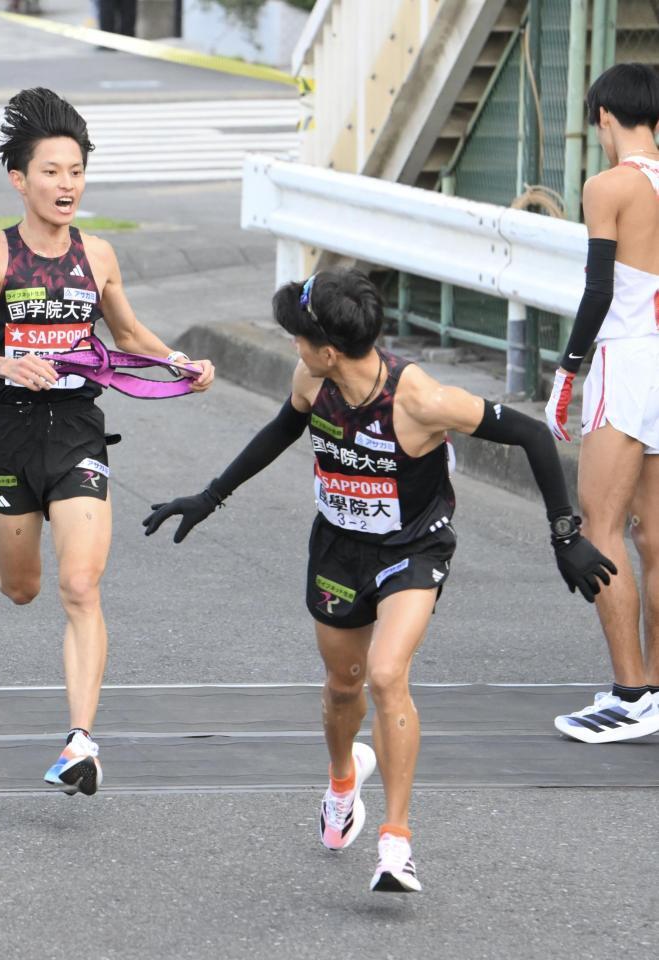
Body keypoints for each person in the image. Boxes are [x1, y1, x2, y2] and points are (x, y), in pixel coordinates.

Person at [144, 268, 614, 892]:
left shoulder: (419, 399)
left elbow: (529, 433)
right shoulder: (313, 377)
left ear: (330, 348)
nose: (293, 345)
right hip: (339, 550)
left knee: (389, 675)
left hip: (412, 548)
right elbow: (286, 426)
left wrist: (564, 534)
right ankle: (343, 781)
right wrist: (210, 497)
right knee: (345, 686)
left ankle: (396, 844)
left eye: (299, 336)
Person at [0, 87, 214, 796]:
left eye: (75, 171)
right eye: (52, 172)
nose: (66, 185)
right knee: (25, 589)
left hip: (78, 433)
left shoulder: (96, 255)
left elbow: (127, 336)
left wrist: (177, 362)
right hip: (8, 432)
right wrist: (7, 363)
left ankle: (80, 743)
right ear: (19, 179)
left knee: (80, 583)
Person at [545, 63, 659, 744]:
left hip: (624, 357)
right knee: (656, 540)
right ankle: (654, 689)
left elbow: (596, 292)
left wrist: (566, 371)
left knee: (601, 527)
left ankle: (628, 695)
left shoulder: (607, 185)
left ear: (603, 119)